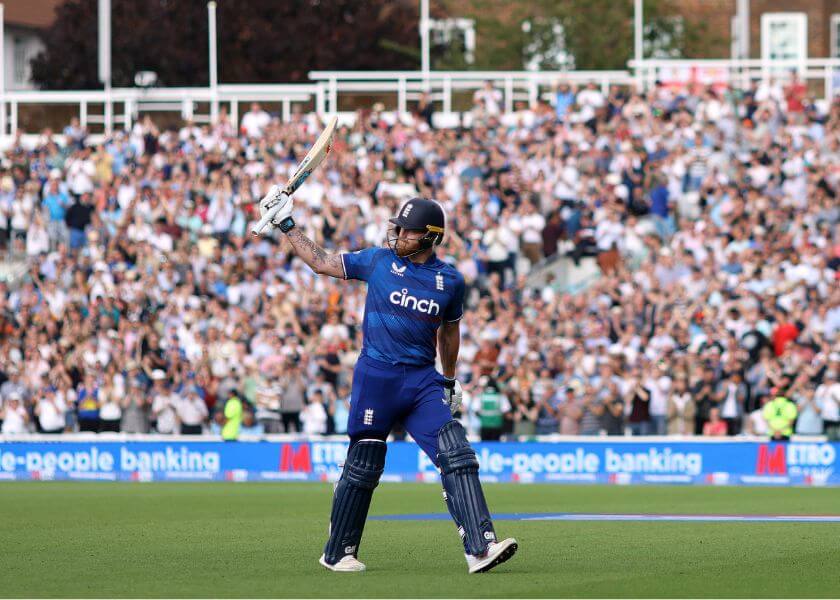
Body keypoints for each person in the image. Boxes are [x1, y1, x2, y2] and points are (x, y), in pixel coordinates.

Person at [258, 191, 517, 573]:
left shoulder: (450, 281)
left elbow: (449, 334)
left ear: (430, 236)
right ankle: (338, 553)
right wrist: (287, 224)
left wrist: (448, 381)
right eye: (399, 228)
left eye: (408, 231)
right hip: (376, 377)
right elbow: (321, 262)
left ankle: (481, 548)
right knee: (365, 463)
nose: (399, 235)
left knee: (457, 452)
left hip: (421, 381)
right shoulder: (378, 261)